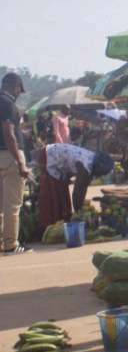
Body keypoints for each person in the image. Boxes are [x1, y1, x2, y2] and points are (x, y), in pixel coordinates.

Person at [37, 143, 114, 231]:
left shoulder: (92, 163)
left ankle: (63, 223)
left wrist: (81, 208)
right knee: (55, 195)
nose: (100, 175)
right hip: (48, 156)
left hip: (58, 160)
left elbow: (83, 188)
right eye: (101, 172)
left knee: (63, 194)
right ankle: (49, 226)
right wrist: (79, 212)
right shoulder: (85, 167)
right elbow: (76, 192)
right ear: (98, 166)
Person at [1, 73, 31, 254]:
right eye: (19, 89)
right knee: (12, 205)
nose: (19, 93)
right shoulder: (8, 104)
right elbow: (9, 135)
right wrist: (20, 163)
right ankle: (11, 244)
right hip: (10, 156)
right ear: (15, 86)